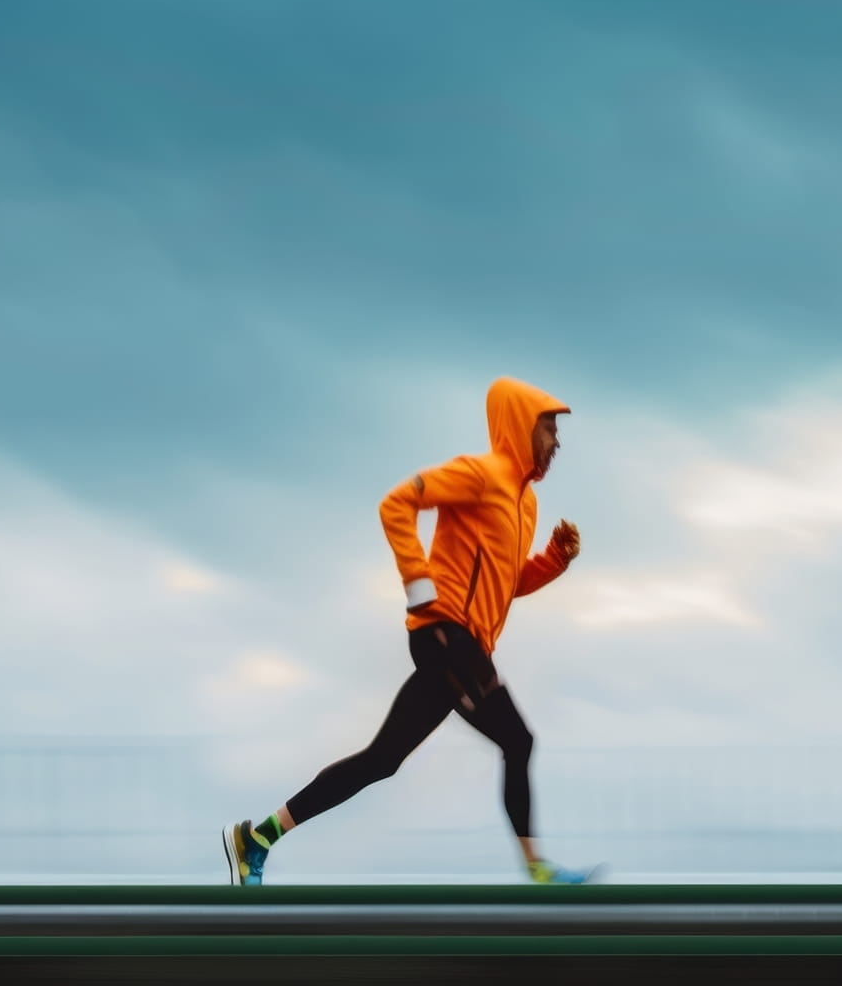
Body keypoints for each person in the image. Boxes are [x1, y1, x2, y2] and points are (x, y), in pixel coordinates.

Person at [223, 376, 599, 885]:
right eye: (549, 427)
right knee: (518, 739)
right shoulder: (479, 474)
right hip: (445, 633)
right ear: (520, 425)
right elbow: (397, 503)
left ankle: (257, 838)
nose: (557, 441)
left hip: (465, 645)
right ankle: (537, 869)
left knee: (381, 760)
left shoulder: (525, 504)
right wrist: (419, 584)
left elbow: (504, 583)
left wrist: (553, 560)